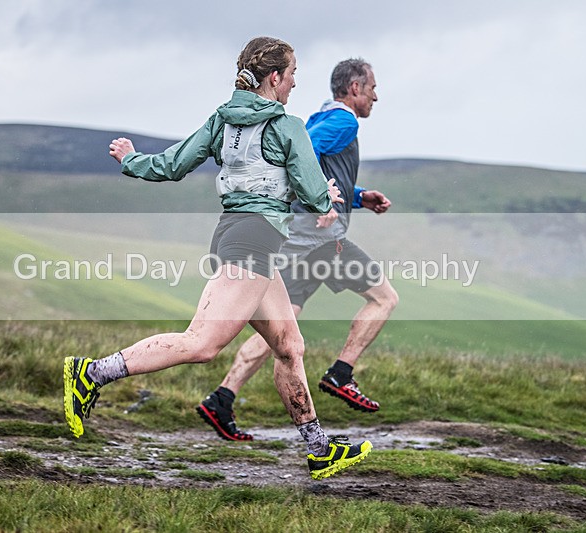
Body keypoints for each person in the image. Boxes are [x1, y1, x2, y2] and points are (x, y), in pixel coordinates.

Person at [63, 37, 372, 480]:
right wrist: (331, 198)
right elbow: (311, 189)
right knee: (202, 344)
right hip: (252, 242)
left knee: (289, 347)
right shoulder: (288, 126)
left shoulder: (221, 121)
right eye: (292, 76)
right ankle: (91, 374)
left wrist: (131, 159)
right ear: (274, 78)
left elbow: (171, 165)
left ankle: (319, 448)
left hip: (243, 237)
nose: (294, 85)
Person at [196, 58, 399, 442]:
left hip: (302, 242)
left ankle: (222, 397)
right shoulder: (345, 121)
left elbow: (312, 160)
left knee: (283, 327)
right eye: (372, 87)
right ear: (355, 88)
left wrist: (357, 196)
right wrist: (321, 200)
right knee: (384, 298)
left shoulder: (321, 115)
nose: (376, 94)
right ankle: (341, 373)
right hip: (322, 241)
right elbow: (304, 156)